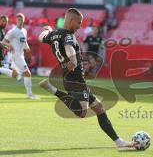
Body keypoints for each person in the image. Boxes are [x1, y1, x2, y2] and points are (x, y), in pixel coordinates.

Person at [38, 8, 134, 148]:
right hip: (74, 80)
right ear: (71, 20)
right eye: (78, 23)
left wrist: (47, 30)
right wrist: (73, 60)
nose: (80, 26)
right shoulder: (68, 35)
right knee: (82, 112)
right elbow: (69, 48)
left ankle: (119, 142)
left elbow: (41, 37)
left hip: (74, 79)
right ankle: (52, 89)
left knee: (99, 108)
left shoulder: (53, 35)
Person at [0, 13, 39, 99]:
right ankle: (30, 95)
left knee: (15, 74)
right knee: (28, 73)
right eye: (18, 20)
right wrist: (9, 45)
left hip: (20, 55)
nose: (20, 21)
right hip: (16, 56)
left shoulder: (24, 31)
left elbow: (24, 41)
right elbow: (3, 42)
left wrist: (27, 46)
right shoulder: (12, 31)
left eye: (21, 19)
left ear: (24, 20)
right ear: (16, 21)